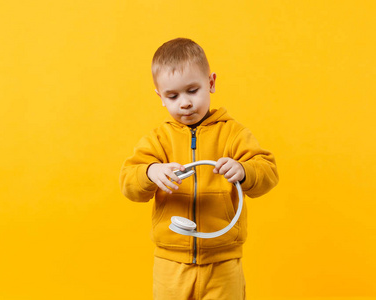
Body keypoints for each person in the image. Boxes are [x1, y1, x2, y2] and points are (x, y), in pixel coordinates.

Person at [119, 38, 279, 300]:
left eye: (192, 90)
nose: (184, 103)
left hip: (223, 262)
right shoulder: (158, 139)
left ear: (211, 83)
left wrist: (244, 170)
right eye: (173, 96)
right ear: (160, 96)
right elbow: (128, 182)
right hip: (171, 265)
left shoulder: (233, 134)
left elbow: (268, 172)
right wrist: (150, 172)